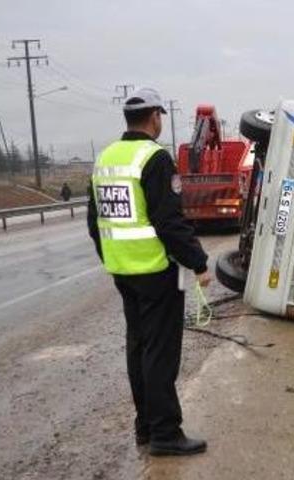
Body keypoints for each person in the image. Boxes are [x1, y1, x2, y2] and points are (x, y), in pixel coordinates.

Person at [87, 88, 210, 456]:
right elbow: (169, 221)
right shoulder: (155, 158)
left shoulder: (105, 158)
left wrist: (112, 257)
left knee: (138, 347)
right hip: (156, 272)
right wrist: (198, 262)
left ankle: (145, 426)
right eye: (160, 117)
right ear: (155, 116)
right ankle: (165, 434)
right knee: (160, 353)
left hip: (123, 271)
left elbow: (94, 221)